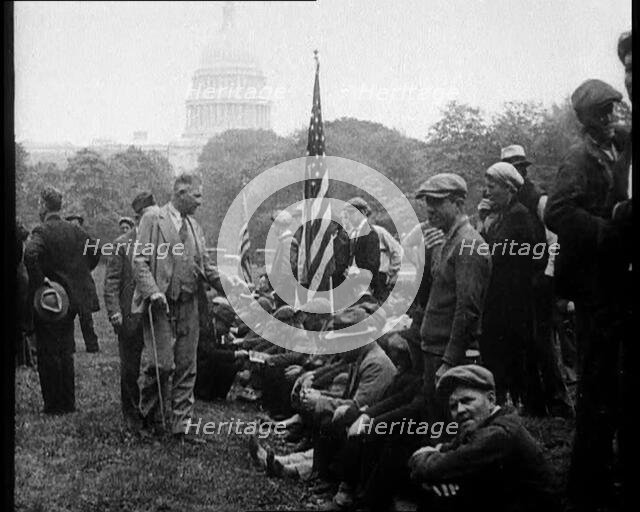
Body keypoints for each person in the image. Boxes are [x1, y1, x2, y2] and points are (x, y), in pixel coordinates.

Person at [545, 76, 630, 510]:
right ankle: (585, 484)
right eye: (602, 113)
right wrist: (604, 230)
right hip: (594, 285)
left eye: (614, 109)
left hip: (612, 281)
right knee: (596, 385)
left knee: (610, 381)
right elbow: (558, 210)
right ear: (586, 120)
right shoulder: (579, 158)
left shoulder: (614, 149)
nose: (611, 117)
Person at [132, 173, 234, 442]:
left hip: (190, 304)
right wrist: (153, 292)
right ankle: (147, 418)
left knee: (187, 366)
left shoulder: (195, 228)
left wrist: (233, 289)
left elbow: (207, 268)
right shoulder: (153, 219)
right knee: (161, 365)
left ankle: (181, 427)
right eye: (197, 196)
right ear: (180, 192)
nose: (201, 202)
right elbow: (139, 261)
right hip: (161, 305)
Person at [408, 365, 557, 512]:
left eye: (467, 401)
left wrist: (428, 466)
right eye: (453, 406)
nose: (460, 410)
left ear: (491, 399)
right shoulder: (481, 425)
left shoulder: (498, 434)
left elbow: (436, 468)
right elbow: (444, 454)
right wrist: (435, 473)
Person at [501, 145, 573, 418]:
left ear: (524, 169)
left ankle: (560, 401)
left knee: (543, 342)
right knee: (527, 341)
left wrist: (549, 273)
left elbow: (556, 237)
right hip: (523, 280)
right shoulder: (509, 202)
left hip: (541, 279)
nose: (515, 171)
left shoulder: (538, 199)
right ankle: (536, 401)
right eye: (509, 167)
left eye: (517, 167)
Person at [415, 173, 492, 422]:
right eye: (427, 202)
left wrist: (449, 361)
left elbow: (467, 310)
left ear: (458, 204)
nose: (429, 208)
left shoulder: (468, 244)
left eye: (437, 202)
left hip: (448, 356)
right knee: (435, 424)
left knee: (448, 428)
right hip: (436, 351)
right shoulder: (450, 241)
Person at [24, 187, 101, 413]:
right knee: (66, 351)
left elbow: (30, 254)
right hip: (72, 300)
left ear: (43, 206)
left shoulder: (42, 230)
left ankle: (53, 405)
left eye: (39, 204)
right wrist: (79, 273)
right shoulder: (75, 230)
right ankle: (68, 403)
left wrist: (42, 281)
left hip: (50, 301)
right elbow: (95, 250)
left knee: (48, 352)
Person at [480, 162, 545, 413]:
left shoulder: (518, 215)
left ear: (508, 187)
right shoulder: (505, 216)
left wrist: (485, 227)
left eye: (492, 186)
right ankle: (521, 402)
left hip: (515, 297)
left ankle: (529, 405)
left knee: (519, 350)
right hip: (506, 296)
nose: (488, 192)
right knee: (512, 349)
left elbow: (495, 254)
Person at [103, 192, 157, 430]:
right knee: (130, 368)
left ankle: (152, 411)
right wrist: (114, 311)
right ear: (138, 218)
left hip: (156, 315)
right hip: (130, 315)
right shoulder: (121, 244)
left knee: (158, 365)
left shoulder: (161, 244)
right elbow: (111, 282)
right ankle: (131, 414)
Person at [65, 213, 100, 353]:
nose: (74, 225)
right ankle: (70, 346)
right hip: (68, 280)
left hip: (81, 281)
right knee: (68, 316)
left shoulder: (85, 237)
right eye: (71, 223)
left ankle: (92, 346)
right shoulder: (64, 238)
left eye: (76, 223)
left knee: (86, 317)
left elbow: (96, 253)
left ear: (80, 223)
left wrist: (87, 267)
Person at [343, 197, 383, 300]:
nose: (350, 216)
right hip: (354, 285)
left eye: (353, 212)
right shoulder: (353, 233)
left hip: (367, 286)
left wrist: (356, 272)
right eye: (348, 213)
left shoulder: (370, 233)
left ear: (364, 212)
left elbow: (373, 264)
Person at [268, 209, 298, 309]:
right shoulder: (284, 241)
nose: (272, 227)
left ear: (280, 226)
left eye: (274, 224)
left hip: (285, 294)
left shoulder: (288, 242)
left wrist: (277, 291)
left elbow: (287, 270)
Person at [371, 223, 403, 302]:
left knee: (380, 305)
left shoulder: (379, 231)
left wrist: (392, 272)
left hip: (380, 276)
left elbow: (397, 250)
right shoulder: (353, 232)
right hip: (362, 277)